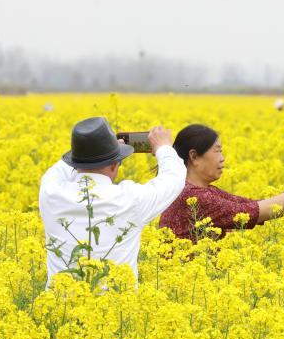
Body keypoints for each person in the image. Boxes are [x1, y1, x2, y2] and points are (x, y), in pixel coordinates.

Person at [39, 116, 186, 286]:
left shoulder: (50, 193)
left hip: (62, 310)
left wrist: (93, 148)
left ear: (74, 162)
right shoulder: (130, 199)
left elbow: (59, 169)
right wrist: (164, 148)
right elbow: (173, 179)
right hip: (117, 307)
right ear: (115, 165)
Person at [159, 124, 284, 242]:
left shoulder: (200, 191)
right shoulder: (193, 197)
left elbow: (255, 207)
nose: (222, 158)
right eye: (217, 151)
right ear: (194, 156)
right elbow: (254, 212)